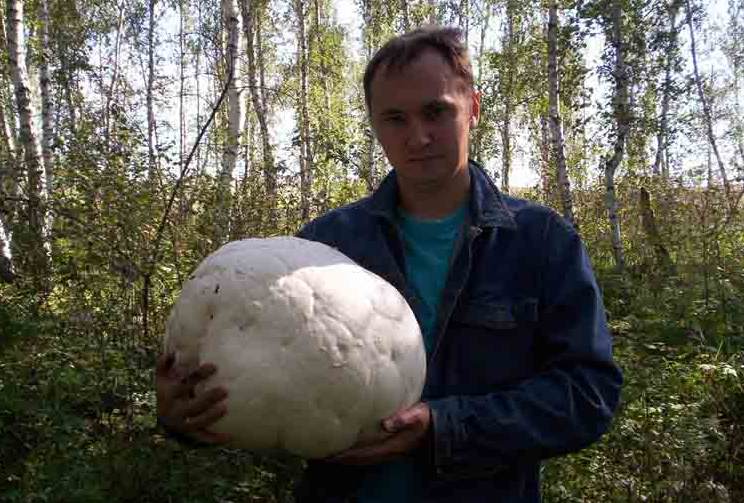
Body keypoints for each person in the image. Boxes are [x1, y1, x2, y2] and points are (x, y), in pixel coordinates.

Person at [156, 26, 623, 502]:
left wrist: (443, 427)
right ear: (376, 125)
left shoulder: (541, 242)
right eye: (395, 118)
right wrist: (183, 419)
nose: (418, 136)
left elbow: (587, 395)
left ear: (473, 109)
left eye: (436, 111)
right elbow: (257, 389)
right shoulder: (319, 247)